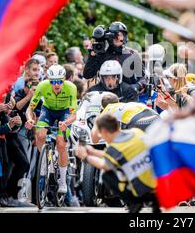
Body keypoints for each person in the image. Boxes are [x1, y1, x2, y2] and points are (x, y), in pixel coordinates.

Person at [75, 113, 160, 213]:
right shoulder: (136, 132)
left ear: (104, 132)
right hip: (161, 184)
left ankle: (134, 202)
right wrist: (93, 152)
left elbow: (104, 165)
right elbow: (124, 154)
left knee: (108, 176)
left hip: (146, 190)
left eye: (100, 134)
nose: (100, 136)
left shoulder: (114, 149)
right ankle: (156, 202)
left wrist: (85, 157)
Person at [25, 65, 77, 194]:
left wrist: (66, 122)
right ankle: (45, 161)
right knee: (40, 134)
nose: (56, 85)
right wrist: (30, 119)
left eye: (59, 81)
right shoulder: (42, 86)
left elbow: (74, 114)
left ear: (64, 79)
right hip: (48, 110)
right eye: (53, 81)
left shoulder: (71, 88)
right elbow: (30, 108)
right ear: (49, 80)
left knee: (60, 142)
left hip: (65, 113)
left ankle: (63, 181)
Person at [83, 22, 147, 95]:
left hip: (126, 96)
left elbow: (144, 78)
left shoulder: (132, 55)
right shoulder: (101, 54)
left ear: (125, 36)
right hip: (104, 96)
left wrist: (137, 86)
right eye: (115, 35)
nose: (118, 38)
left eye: (120, 35)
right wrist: (92, 55)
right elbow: (87, 75)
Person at [96, 93, 161, 133]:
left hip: (139, 122)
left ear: (104, 107)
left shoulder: (108, 109)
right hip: (156, 117)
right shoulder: (127, 104)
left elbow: (94, 138)